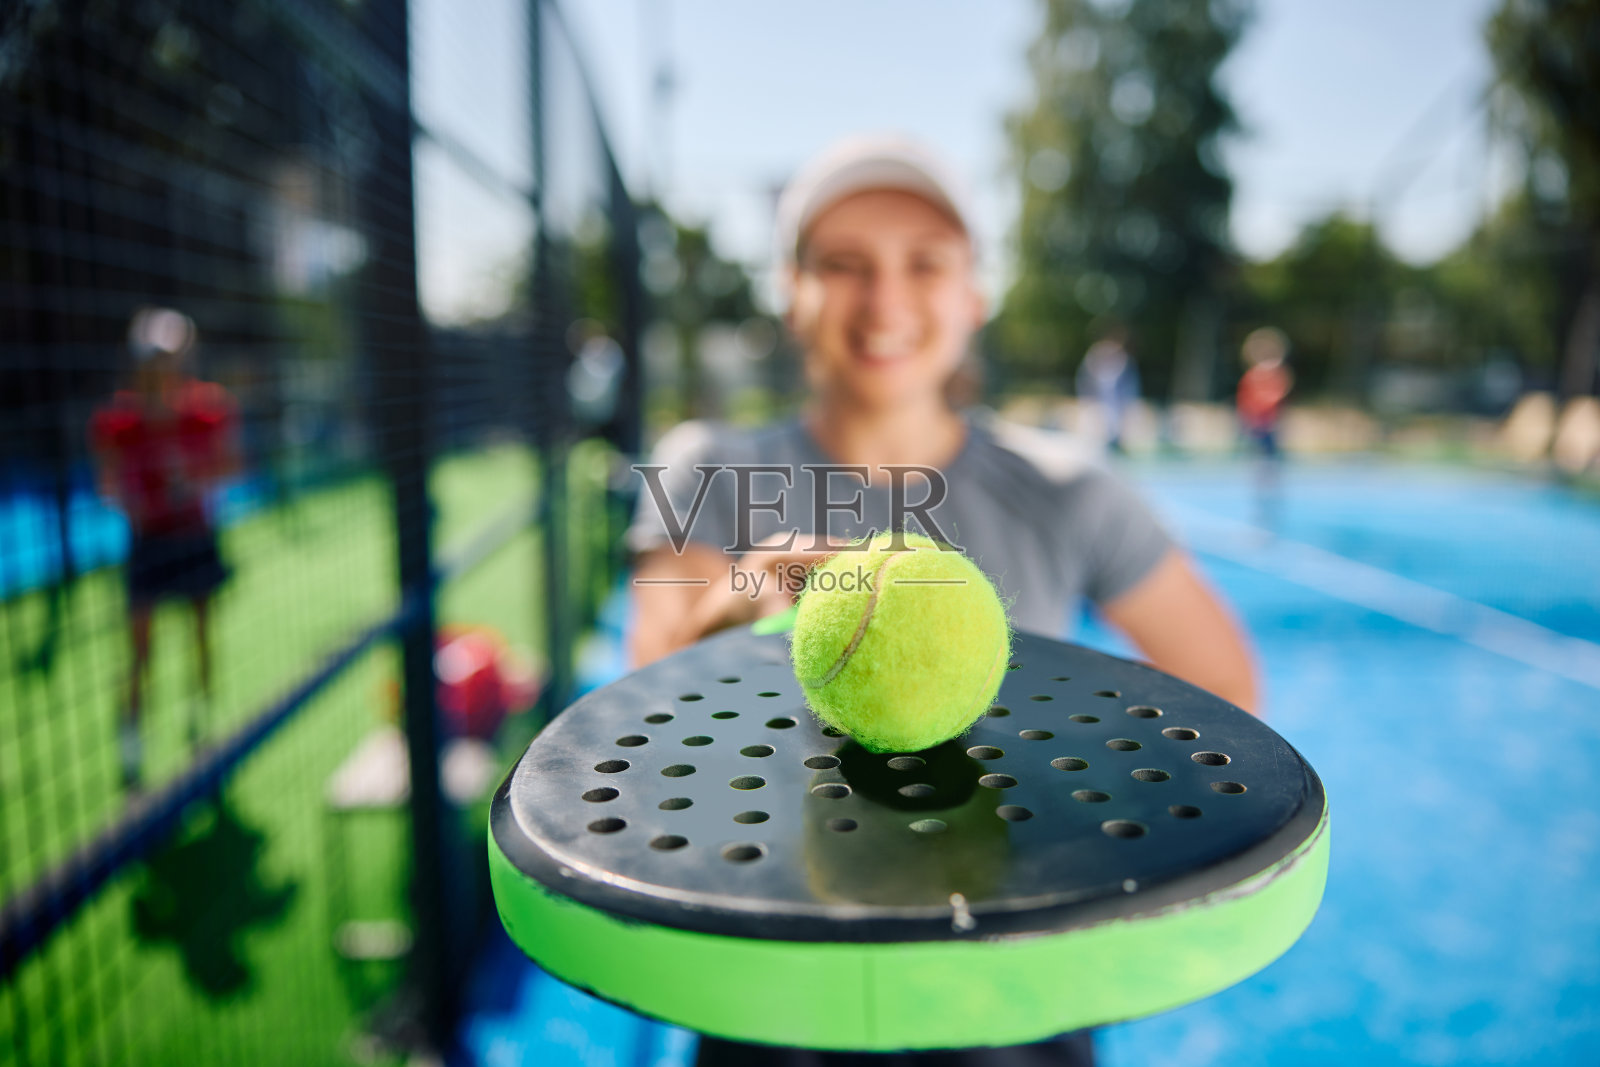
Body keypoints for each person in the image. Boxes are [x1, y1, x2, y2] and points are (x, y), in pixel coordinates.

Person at [624, 136, 1257, 1066]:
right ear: (792, 294)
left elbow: (1226, 694)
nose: (885, 300)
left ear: (973, 295)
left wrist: (1080, 810)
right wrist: (735, 605)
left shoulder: (1070, 488)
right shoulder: (703, 468)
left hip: (1017, 995)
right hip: (773, 985)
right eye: (844, 265)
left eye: (924, 264)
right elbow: (643, 721)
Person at [91, 308, 238, 791]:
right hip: (149, 543)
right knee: (139, 649)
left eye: (170, 357)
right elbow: (108, 484)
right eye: (153, 358)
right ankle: (131, 742)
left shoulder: (207, 409)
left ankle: (202, 721)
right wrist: (134, 499)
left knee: (202, 632)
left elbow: (231, 466)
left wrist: (191, 479)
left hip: (194, 537)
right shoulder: (118, 420)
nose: (162, 367)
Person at [1235, 326, 1293, 530]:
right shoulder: (1253, 377)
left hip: (1269, 430)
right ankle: (1262, 510)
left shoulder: (1274, 376)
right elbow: (1245, 403)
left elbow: (1274, 400)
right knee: (1259, 471)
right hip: (1258, 431)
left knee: (1269, 470)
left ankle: (1269, 510)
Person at [1074, 323, 1140, 453]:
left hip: (1116, 402)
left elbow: (1129, 384)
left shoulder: (1123, 358)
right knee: (1096, 425)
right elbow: (1085, 379)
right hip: (1097, 400)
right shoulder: (1095, 355)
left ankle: (1113, 447)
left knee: (1115, 426)